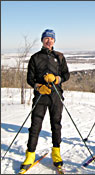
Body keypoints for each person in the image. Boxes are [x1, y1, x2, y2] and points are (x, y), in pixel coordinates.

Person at [20, 29, 70, 171]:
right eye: (46, 38)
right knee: (35, 126)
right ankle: (30, 155)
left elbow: (66, 75)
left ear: (54, 41)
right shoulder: (35, 57)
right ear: (42, 40)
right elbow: (30, 78)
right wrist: (37, 87)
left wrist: (57, 79)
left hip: (55, 95)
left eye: (51, 39)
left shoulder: (59, 57)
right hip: (41, 96)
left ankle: (56, 153)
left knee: (56, 125)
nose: (49, 41)